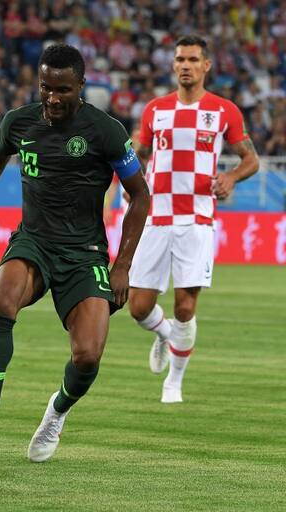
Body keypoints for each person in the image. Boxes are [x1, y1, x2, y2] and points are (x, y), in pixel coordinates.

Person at [0, 44, 150, 462]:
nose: (52, 98)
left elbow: (140, 196)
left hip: (85, 253)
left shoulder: (106, 131)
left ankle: (57, 411)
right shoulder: (19, 122)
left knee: (87, 356)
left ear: (81, 86)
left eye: (62, 90)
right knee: (2, 300)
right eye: (45, 88)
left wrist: (123, 265)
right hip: (34, 241)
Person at [128, 35, 259, 403]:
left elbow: (251, 159)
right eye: (180, 59)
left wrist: (231, 177)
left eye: (192, 59)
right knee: (137, 307)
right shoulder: (154, 110)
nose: (185, 65)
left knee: (185, 307)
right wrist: (129, 186)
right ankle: (164, 334)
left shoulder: (224, 111)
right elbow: (136, 154)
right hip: (155, 217)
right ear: (173, 65)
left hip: (197, 219)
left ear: (206, 65)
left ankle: (174, 382)